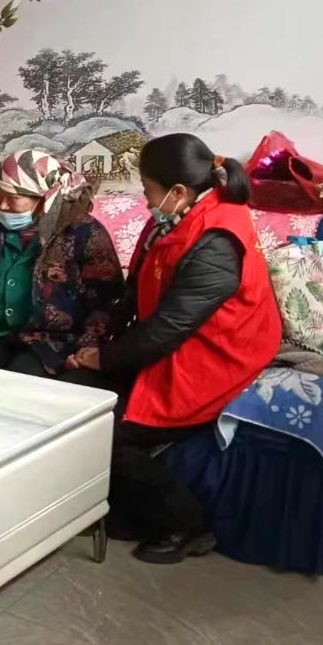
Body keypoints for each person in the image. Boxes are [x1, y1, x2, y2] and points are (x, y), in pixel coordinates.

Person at [66, 134, 282, 565]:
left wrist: (106, 358)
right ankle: (119, 511)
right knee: (72, 392)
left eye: (147, 188)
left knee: (104, 428)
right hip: (174, 339)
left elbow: (169, 329)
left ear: (178, 191)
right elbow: (135, 287)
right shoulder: (170, 218)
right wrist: (100, 338)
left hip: (218, 355)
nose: (144, 198)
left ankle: (186, 524)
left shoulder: (217, 239)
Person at [0, 149, 123, 382]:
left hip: (52, 344)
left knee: (20, 381)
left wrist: (88, 347)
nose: (2, 205)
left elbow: (108, 300)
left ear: (44, 199)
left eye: (13, 198)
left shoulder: (84, 232)